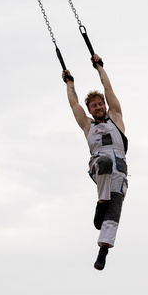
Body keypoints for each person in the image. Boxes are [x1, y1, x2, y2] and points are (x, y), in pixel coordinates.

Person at [63, 53, 128, 270]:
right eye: (94, 106)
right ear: (90, 110)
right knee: (106, 161)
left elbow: (109, 90)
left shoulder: (116, 118)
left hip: (119, 172)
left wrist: (100, 68)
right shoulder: (87, 126)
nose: (99, 107)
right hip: (99, 165)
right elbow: (73, 103)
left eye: (101, 104)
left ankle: (103, 250)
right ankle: (101, 202)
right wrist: (69, 83)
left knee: (114, 212)